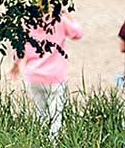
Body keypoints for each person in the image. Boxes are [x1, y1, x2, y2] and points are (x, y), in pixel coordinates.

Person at [10, 11, 83, 139]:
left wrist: (16, 64)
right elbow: (77, 34)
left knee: (40, 113)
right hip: (55, 75)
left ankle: (40, 141)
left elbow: (20, 46)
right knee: (56, 115)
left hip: (34, 74)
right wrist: (69, 17)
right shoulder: (58, 19)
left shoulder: (27, 21)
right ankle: (53, 142)